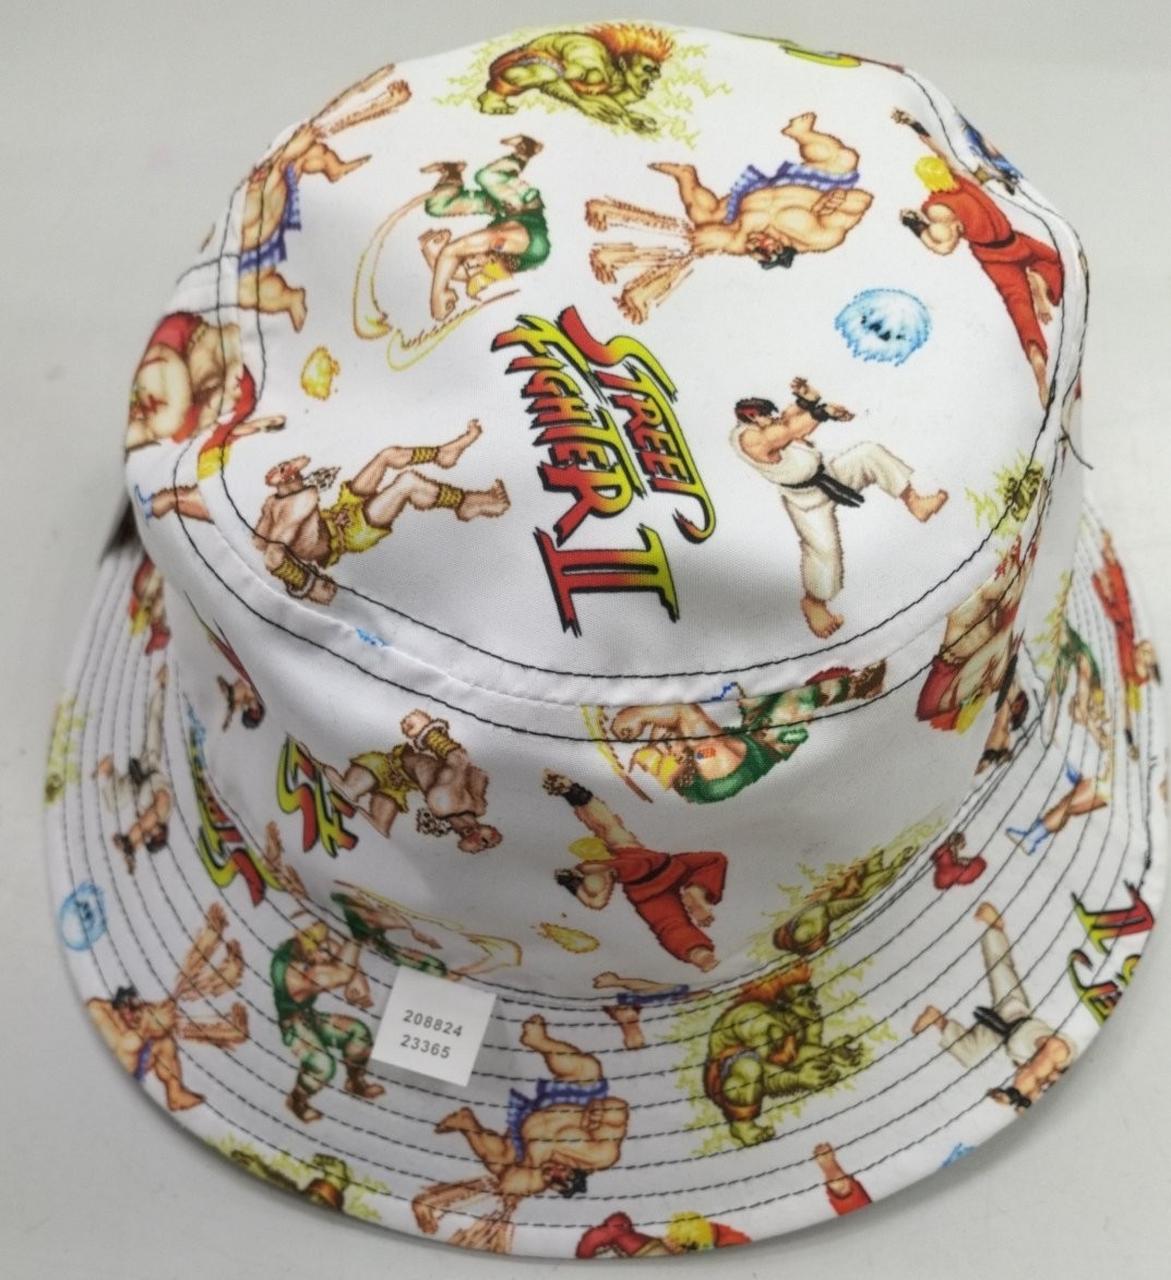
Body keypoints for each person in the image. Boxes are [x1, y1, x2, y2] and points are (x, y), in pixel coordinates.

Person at [586, 113, 874, 323]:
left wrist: (639, 290)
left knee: (703, 218)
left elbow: (687, 247)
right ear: (779, 248)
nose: (756, 242)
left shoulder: (741, 238)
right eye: (763, 246)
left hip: (753, 195)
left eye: (754, 250)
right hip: (816, 184)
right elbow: (863, 200)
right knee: (844, 160)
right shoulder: (816, 236)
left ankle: (684, 176)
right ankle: (802, 132)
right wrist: (838, 199)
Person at [732, 378, 946, 637]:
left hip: (828, 474)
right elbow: (785, 432)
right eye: (765, 415)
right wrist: (821, 412)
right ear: (752, 418)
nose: (772, 418)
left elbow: (787, 419)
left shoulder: (767, 425)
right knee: (824, 551)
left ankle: (915, 502)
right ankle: (814, 602)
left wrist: (806, 399)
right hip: (806, 500)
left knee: (869, 454)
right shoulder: (749, 440)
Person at [413, 1015, 629, 1253]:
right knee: (588, 1070)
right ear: (574, 1171)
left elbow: (511, 1181)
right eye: (563, 1175)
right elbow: (617, 1113)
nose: (554, 1174)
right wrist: (600, 1112)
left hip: (526, 1124)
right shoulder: (598, 1154)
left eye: (555, 1182)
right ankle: (540, 1041)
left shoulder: (535, 1173)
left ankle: (467, 1124)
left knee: (500, 1162)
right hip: (572, 1101)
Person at [894, 110, 1062, 406]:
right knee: (1054, 260)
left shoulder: (938, 208)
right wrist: (914, 124)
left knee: (1020, 308)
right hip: (1015, 240)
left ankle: (1037, 363)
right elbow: (940, 150)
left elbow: (943, 246)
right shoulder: (962, 181)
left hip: (994, 257)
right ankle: (1041, 281)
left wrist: (915, 224)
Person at [253, 420, 509, 604]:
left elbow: (258, 542)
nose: (300, 475)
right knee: (408, 483)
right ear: (289, 479)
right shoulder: (298, 507)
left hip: (339, 514)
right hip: (350, 534)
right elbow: (273, 557)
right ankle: (466, 504)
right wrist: (309, 586)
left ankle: (443, 454)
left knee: (386, 456)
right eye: (294, 473)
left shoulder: (273, 504)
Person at [544, 770, 727, 970]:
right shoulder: (623, 848)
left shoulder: (601, 873)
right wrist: (573, 791)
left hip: (644, 889)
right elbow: (605, 822)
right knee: (714, 860)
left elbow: (596, 901)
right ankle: (697, 891)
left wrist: (575, 884)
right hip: (664, 864)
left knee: (669, 925)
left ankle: (699, 953)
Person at [913, 902, 1076, 1110]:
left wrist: (1013, 1098)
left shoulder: (1041, 1080)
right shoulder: (1061, 1055)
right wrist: (1018, 1091)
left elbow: (1029, 1089)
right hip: (1014, 1012)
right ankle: (996, 927)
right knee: (999, 968)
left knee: (969, 1054)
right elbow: (1042, 1061)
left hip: (1001, 1035)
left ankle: (936, 1018)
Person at [85, 904, 248, 1111]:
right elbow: (123, 1051)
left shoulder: (131, 1015)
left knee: (167, 1039)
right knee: (165, 1033)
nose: (135, 1011)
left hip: (134, 1063)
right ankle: (228, 1031)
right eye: (133, 1008)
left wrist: (148, 1025)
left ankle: (175, 1091)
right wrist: (146, 1029)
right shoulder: (97, 1010)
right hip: (124, 1065)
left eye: (136, 1009)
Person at [322, 709, 501, 853]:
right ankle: (326, 772)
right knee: (349, 792)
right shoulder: (447, 803)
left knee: (379, 828)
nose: (482, 846)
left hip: (400, 785)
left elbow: (476, 773)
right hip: (385, 765)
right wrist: (427, 731)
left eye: (483, 845)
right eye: (484, 843)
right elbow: (459, 759)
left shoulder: (474, 806)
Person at [419, 135, 550, 320]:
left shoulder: (491, 262)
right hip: (521, 204)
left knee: (436, 206)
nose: (470, 260)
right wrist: (437, 296)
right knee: (486, 176)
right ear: (493, 263)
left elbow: (447, 264)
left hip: (499, 210)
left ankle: (452, 173)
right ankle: (528, 149)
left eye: (468, 263)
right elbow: (453, 251)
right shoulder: (513, 243)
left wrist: (429, 250)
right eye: (475, 264)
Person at [271, 920, 384, 1123]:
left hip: (309, 1017)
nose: (325, 956)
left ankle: (355, 1081)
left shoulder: (294, 949)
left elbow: (330, 947)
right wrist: (358, 935)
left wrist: (357, 974)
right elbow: (342, 973)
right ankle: (297, 1100)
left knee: (358, 1032)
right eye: (320, 952)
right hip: (294, 1026)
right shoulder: (297, 978)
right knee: (322, 1065)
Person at [476, 23, 673, 131]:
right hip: (515, 64)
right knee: (547, 73)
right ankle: (492, 96)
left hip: (546, 67)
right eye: (647, 69)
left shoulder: (612, 77)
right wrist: (580, 103)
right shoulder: (590, 62)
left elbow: (596, 97)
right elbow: (552, 81)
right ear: (623, 63)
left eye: (655, 71)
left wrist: (625, 116)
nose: (653, 76)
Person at [95, 664, 171, 872]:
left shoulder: (148, 825)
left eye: (146, 838)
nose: (148, 833)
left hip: (138, 784)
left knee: (113, 802)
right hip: (150, 769)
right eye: (152, 835)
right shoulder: (160, 813)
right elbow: (159, 800)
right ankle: (163, 684)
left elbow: (140, 829)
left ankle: (108, 769)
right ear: (160, 832)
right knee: (154, 722)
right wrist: (133, 841)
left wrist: (130, 847)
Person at [1092, 531, 1161, 756]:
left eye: (1145, 657)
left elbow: (1126, 711)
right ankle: (1107, 552)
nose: (1143, 652)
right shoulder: (1136, 668)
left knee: (1114, 587)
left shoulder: (1130, 678)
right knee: (1117, 584)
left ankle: (1107, 553)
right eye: (1146, 654)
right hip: (1123, 622)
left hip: (1119, 623)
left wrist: (1130, 740)